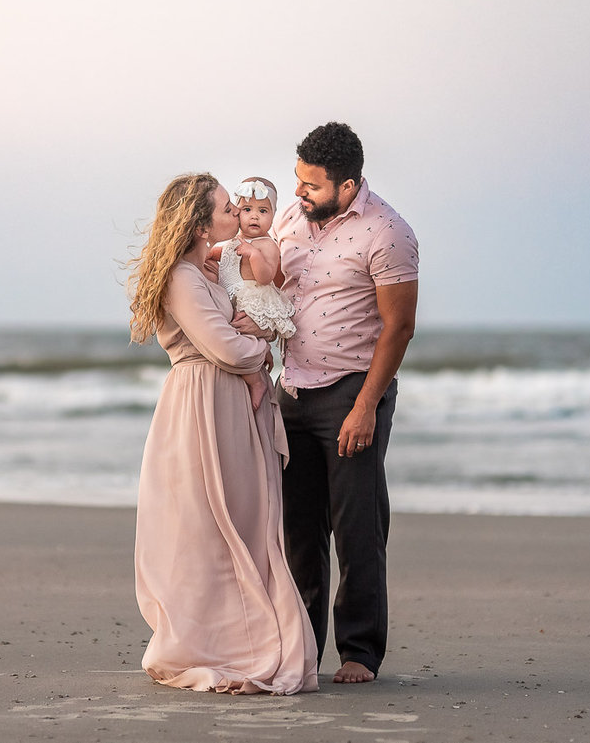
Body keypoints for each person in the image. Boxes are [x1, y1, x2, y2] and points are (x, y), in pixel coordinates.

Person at [127, 172, 318, 695]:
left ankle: (238, 636)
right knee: (208, 524)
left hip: (228, 404)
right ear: (199, 225)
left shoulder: (206, 271)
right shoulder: (182, 278)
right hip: (201, 404)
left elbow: (243, 319)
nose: (238, 214)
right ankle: (213, 643)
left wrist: (257, 335)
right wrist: (260, 350)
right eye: (227, 208)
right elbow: (226, 348)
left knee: (239, 520)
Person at [273, 122, 419, 685]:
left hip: (351, 392)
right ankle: (303, 649)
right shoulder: (291, 218)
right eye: (298, 180)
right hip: (292, 391)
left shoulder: (388, 231)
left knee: (357, 528)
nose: (299, 192)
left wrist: (366, 407)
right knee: (299, 531)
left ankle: (360, 651)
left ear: (349, 185)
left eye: (311, 184)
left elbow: (399, 327)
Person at [209, 177, 296, 411]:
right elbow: (221, 254)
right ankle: (258, 362)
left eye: (263, 211)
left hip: (252, 301)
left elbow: (266, 277)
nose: (254, 216)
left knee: (242, 336)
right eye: (247, 209)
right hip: (233, 295)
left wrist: (253, 255)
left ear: (273, 215)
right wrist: (207, 255)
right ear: (237, 212)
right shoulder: (234, 241)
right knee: (233, 338)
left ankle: (256, 382)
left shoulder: (267, 245)